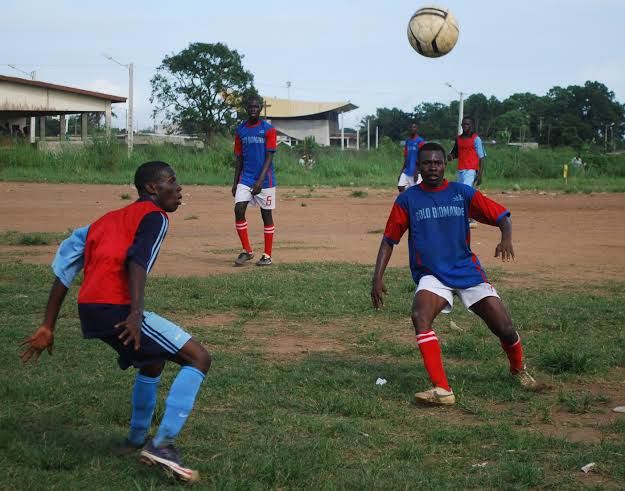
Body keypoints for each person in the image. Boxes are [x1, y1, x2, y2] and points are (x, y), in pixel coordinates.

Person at [20, 161, 211, 482]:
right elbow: (138, 260)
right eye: (171, 182)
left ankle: (135, 440)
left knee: (153, 361)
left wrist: (47, 325)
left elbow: (65, 265)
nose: (178, 189)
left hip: (91, 310)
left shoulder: (104, 221)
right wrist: (135, 314)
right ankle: (162, 445)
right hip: (118, 310)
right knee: (199, 357)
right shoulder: (155, 216)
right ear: (152, 189)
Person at [371, 142, 537, 406]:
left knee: (504, 328)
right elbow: (389, 240)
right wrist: (377, 278)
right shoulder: (407, 200)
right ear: (420, 167)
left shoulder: (462, 193)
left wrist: (506, 237)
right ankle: (442, 389)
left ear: (444, 164)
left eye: (437, 162)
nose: (433, 167)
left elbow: (503, 216)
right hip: (433, 275)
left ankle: (519, 371)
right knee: (420, 315)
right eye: (427, 163)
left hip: (466, 271)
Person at [232, 96, 277, 267]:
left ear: (261, 109)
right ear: (246, 108)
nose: (253, 109)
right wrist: (235, 182)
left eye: (256, 107)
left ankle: (267, 255)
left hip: (265, 180)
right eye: (250, 106)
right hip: (246, 177)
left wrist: (260, 181)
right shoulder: (240, 130)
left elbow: (269, 157)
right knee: (239, 209)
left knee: (266, 215)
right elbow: (239, 158)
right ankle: (247, 251)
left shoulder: (268, 130)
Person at [397, 123, 426, 192]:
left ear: (417, 129)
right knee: (400, 187)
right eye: (411, 127)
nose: (412, 129)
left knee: (417, 191)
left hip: (416, 171)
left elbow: (422, 157)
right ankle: (407, 201)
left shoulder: (420, 141)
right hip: (407, 170)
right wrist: (401, 171)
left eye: (414, 127)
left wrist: (417, 170)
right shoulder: (408, 141)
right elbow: (406, 157)